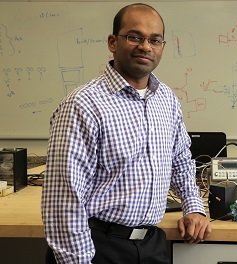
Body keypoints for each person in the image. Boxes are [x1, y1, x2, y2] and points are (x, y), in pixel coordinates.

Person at [41, 3, 212, 263]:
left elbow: (179, 160)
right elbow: (65, 200)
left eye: (155, 40)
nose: (146, 46)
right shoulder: (83, 105)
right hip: (97, 246)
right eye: (134, 37)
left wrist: (194, 207)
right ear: (113, 42)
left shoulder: (166, 99)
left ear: (162, 47)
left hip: (151, 245)